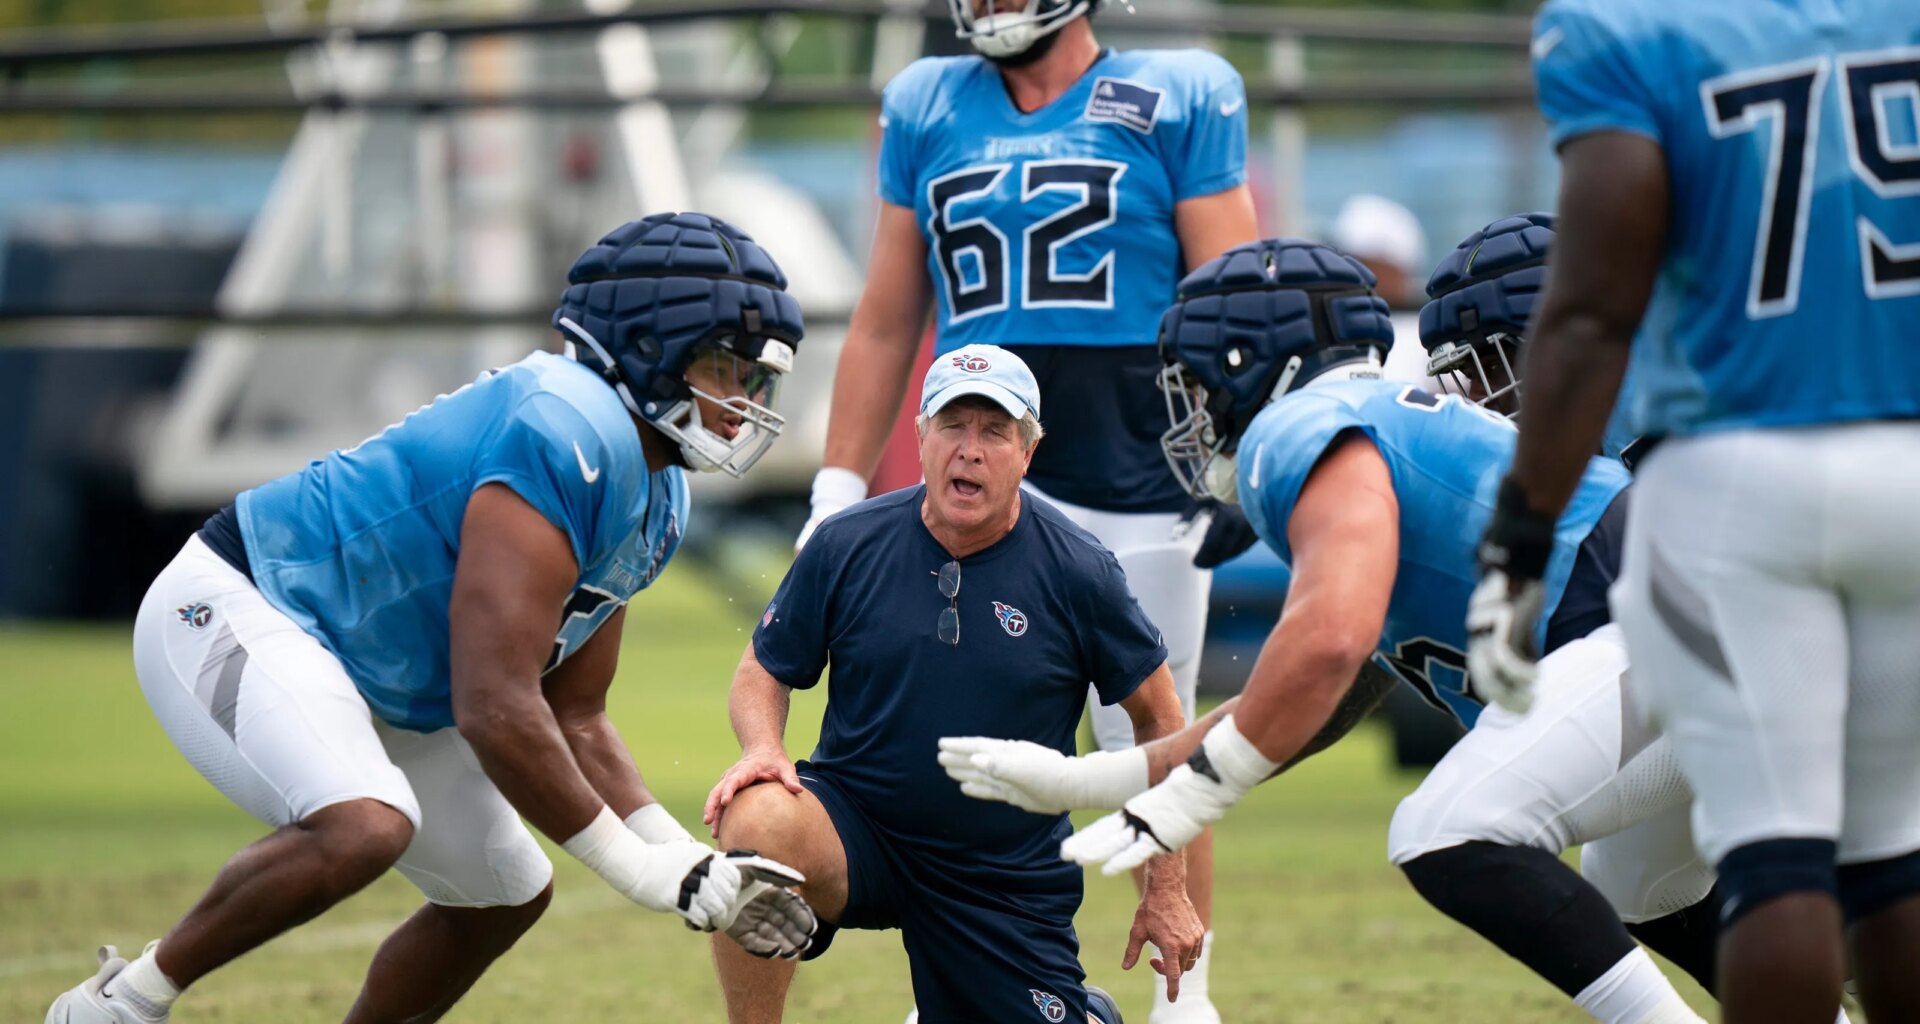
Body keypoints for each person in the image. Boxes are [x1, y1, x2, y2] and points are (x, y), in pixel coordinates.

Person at [942, 236, 1805, 1024]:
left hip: (1667, 622)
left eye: (1198, 385)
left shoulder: (1295, 428)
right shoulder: (1383, 432)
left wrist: (1197, 792)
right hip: (1709, 624)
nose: (1191, 416)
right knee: (1639, 885)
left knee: (1447, 828)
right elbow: (1322, 694)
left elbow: (1328, 642)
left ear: (1247, 363)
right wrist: (1109, 776)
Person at [45, 213, 819, 1024]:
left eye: (753, 377)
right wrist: (642, 872)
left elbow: (576, 713)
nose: (743, 401)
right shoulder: (565, 426)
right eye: (723, 366)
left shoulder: (658, 493)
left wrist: (684, 856)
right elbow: (493, 705)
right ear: (650, 348)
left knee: (503, 893)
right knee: (364, 827)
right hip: (248, 603)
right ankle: (121, 1004)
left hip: (367, 668)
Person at [797, 2, 1259, 1015]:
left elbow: (1235, 302)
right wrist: (838, 483)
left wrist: (1242, 449)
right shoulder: (926, 100)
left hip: (1140, 464)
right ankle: (960, 982)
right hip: (983, 448)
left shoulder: (1179, 90)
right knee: (968, 725)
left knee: (1152, 734)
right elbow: (886, 317)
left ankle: (1187, 995)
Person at [1472, 2, 1920, 1021]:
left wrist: (1522, 532)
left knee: (1776, 851)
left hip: (1734, 468)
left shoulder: (1629, 29)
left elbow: (1588, 311)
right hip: (1907, 449)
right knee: (1892, 847)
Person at [704, 344, 1201, 1024]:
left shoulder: (1080, 569)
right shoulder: (846, 542)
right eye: (952, 425)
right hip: (858, 832)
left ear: (1028, 453)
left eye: (995, 431)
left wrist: (1165, 885)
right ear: (921, 437)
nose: (969, 449)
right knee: (755, 814)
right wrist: (762, 748)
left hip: (1000, 874)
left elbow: (1161, 719)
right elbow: (764, 669)